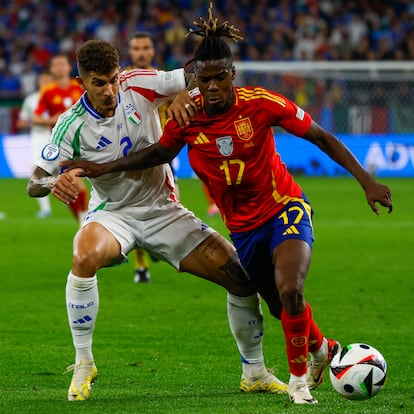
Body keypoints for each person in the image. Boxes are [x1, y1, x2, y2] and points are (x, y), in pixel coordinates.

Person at [61, 6, 393, 405]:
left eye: (221, 77)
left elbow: (320, 136)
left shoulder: (262, 103)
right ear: (196, 80)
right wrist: (97, 167)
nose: (213, 86)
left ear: (233, 74)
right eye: (205, 80)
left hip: (280, 208)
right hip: (239, 227)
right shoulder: (185, 117)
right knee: (273, 300)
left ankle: (293, 380)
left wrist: (366, 180)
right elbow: (158, 153)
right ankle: (322, 349)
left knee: (289, 288)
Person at [27, 39, 288, 401]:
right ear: (81, 82)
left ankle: (255, 372)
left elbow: (197, 73)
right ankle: (84, 362)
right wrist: (56, 181)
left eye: (114, 80)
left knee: (241, 279)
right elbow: (34, 183)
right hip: (114, 214)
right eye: (99, 83)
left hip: (163, 209)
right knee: (84, 256)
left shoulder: (138, 83)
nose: (110, 90)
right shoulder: (69, 125)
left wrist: (186, 94)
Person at [32, 53, 88, 222]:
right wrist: (52, 119)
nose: (60, 67)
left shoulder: (79, 87)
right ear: (51, 69)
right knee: (73, 182)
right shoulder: (47, 92)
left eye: (62, 64)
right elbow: (36, 118)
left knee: (73, 183)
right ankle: (83, 219)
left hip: (86, 141)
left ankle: (84, 219)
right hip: (63, 145)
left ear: (69, 67)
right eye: (56, 65)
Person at [17, 69, 54, 218]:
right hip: (37, 138)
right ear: (39, 82)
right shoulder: (31, 100)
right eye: (43, 80)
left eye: (48, 80)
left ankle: (74, 204)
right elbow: (21, 121)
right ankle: (45, 208)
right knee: (37, 170)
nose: (45, 83)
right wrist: (37, 121)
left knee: (65, 171)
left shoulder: (55, 97)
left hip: (55, 137)